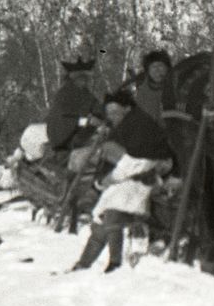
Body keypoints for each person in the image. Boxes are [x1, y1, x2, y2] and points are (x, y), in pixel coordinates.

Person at [69, 89, 177, 272]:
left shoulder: (138, 125)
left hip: (145, 176)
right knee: (103, 216)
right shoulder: (129, 123)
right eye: (109, 113)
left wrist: (104, 182)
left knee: (111, 214)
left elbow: (135, 162)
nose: (111, 117)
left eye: (115, 112)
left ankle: (113, 263)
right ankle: (86, 264)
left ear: (126, 108)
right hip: (134, 175)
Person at [44, 53, 104, 157]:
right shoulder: (64, 94)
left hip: (75, 132)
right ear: (75, 78)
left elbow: (96, 106)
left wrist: (104, 115)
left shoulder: (84, 93)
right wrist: (88, 121)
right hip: (63, 137)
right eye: (82, 78)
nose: (85, 82)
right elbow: (66, 119)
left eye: (86, 79)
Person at [128, 49, 176, 123]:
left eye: (160, 66)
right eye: (153, 67)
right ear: (148, 71)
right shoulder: (144, 90)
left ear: (167, 68)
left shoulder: (176, 85)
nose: (157, 70)